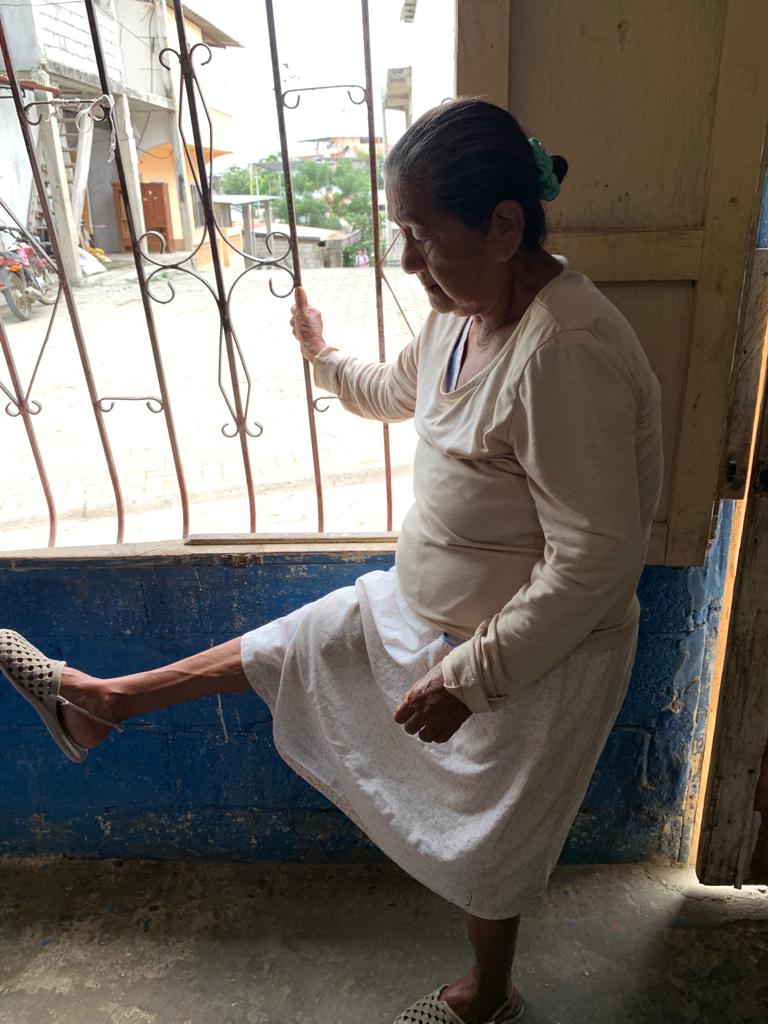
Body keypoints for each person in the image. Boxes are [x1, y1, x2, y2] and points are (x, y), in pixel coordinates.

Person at [1, 98, 663, 1024]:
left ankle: (488, 997)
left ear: (505, 227)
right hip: (428, 611)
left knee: (493, 839)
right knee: (298, 642)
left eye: (422, 236)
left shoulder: (567, 351)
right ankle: (103, 702)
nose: (406, 261)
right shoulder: (462, 315)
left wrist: (472, 676)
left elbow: (596, 560)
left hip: (535, 652)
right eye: (400, 232)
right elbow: (394, 390)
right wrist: (321, 354)